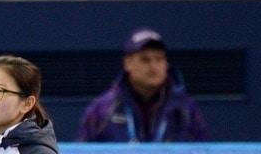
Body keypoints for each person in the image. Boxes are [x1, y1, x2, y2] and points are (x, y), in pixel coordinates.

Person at [78, 26, 208, 143]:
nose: (154, 66)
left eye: (159, 59)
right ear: (127, 63)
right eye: (145, 60)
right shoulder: (103, 109)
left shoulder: (185, 109)